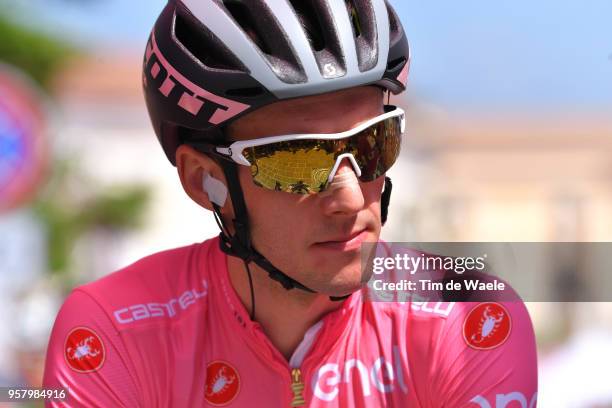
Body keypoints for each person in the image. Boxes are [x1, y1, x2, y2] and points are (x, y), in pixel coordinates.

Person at [43, 1, 538, 406]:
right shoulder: (114, 330)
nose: (348, 197)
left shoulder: (465, 313)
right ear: (205, 181)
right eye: (298, 161)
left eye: (373, 144)